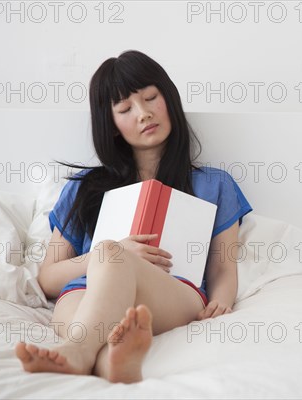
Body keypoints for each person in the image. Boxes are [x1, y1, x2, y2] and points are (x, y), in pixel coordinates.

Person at [15, 50, 252, 383]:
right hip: (84, 291)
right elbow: (48, 276)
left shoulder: (215, 184)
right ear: (111, 126)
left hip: (172, 292)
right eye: (125, 109)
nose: (143, 114)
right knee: (104, 271)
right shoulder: (84, 189)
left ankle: (76, 353)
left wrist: (222, 302)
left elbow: (223, 267)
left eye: (151, 98)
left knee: (111, 258)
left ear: (168, 98)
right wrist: (104, 256)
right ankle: (112, 363)